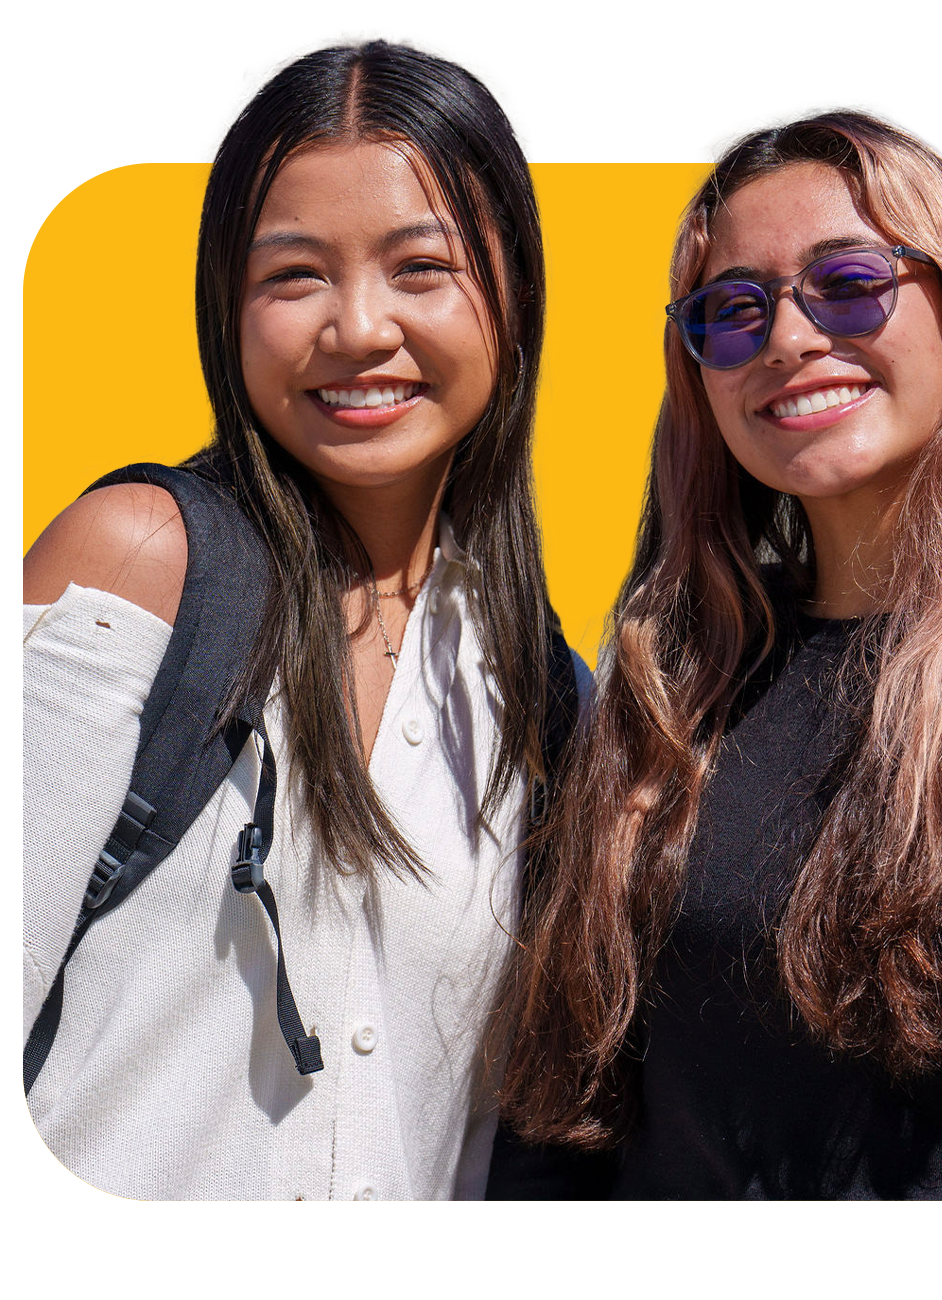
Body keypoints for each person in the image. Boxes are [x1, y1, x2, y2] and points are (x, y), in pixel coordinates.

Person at [491, 105, 942, 1200]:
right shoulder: (670, 674)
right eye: (732, 311)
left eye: (849, 283)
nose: (791, 339)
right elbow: (568, 1107)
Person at [23, 36, 581, 1201]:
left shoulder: (538, 683)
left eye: (421, 268)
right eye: (294, 276)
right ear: (226, 305)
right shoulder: (141, 565)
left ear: (515, 287)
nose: (360, 328)